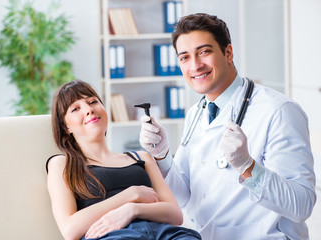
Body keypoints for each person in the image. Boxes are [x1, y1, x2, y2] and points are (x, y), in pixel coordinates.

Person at [139, 13, 316, 240]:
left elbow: (301, 205)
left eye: (204, 52)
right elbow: (184, 196)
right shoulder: (197, 112)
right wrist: (161, 155)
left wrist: (247, 166)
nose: (195, 65)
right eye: (184, 57)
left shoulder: (279, 111)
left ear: (228, 53)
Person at [46, 80, 201, 240]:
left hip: (165, 234)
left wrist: (132, 209)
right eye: (75, 109)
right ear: (66, 127)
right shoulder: (62, 164)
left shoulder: (142, 157)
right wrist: (131, 195)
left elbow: (175, 214)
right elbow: (70, 230)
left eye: (93, 102)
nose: (89, 110)